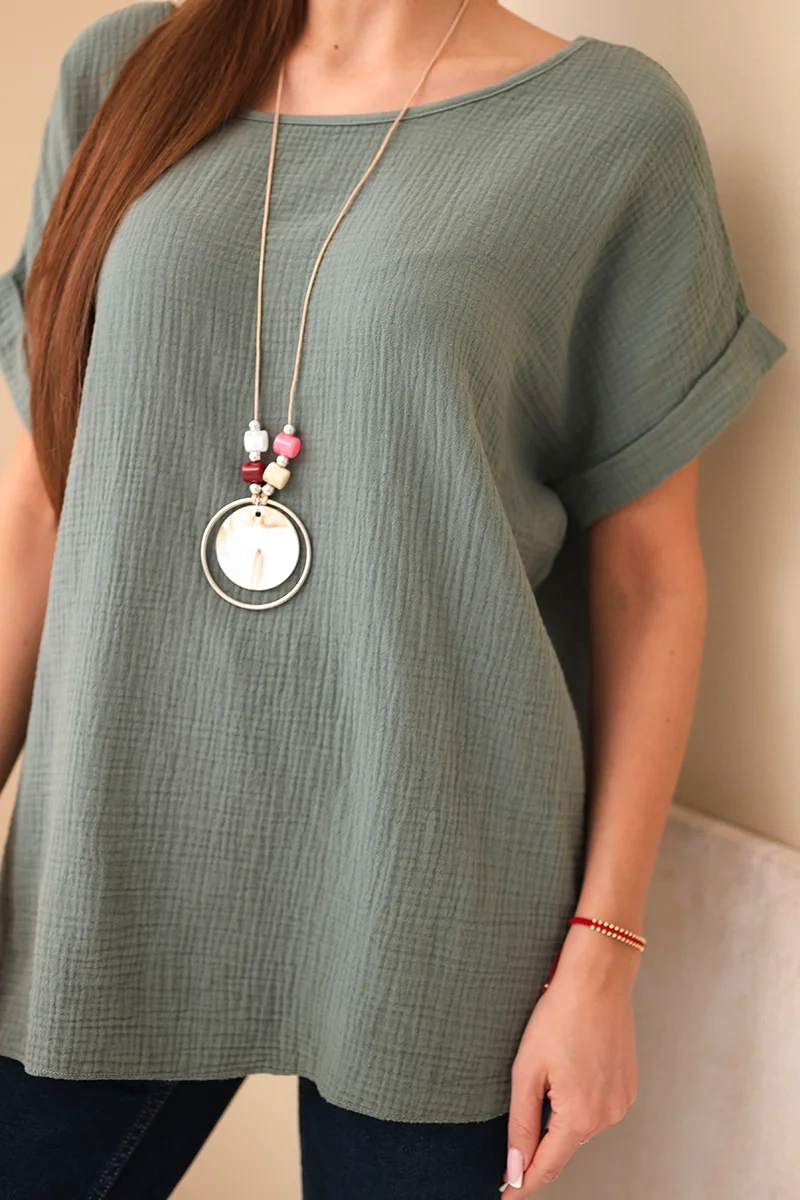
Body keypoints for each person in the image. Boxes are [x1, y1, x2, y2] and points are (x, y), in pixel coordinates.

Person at [0, 0, 787, 1196]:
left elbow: (646, 580)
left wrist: (602, 956)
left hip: (435, 873)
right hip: (119, 844)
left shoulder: (611, 129)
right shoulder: (126, 70)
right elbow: (37, 511)